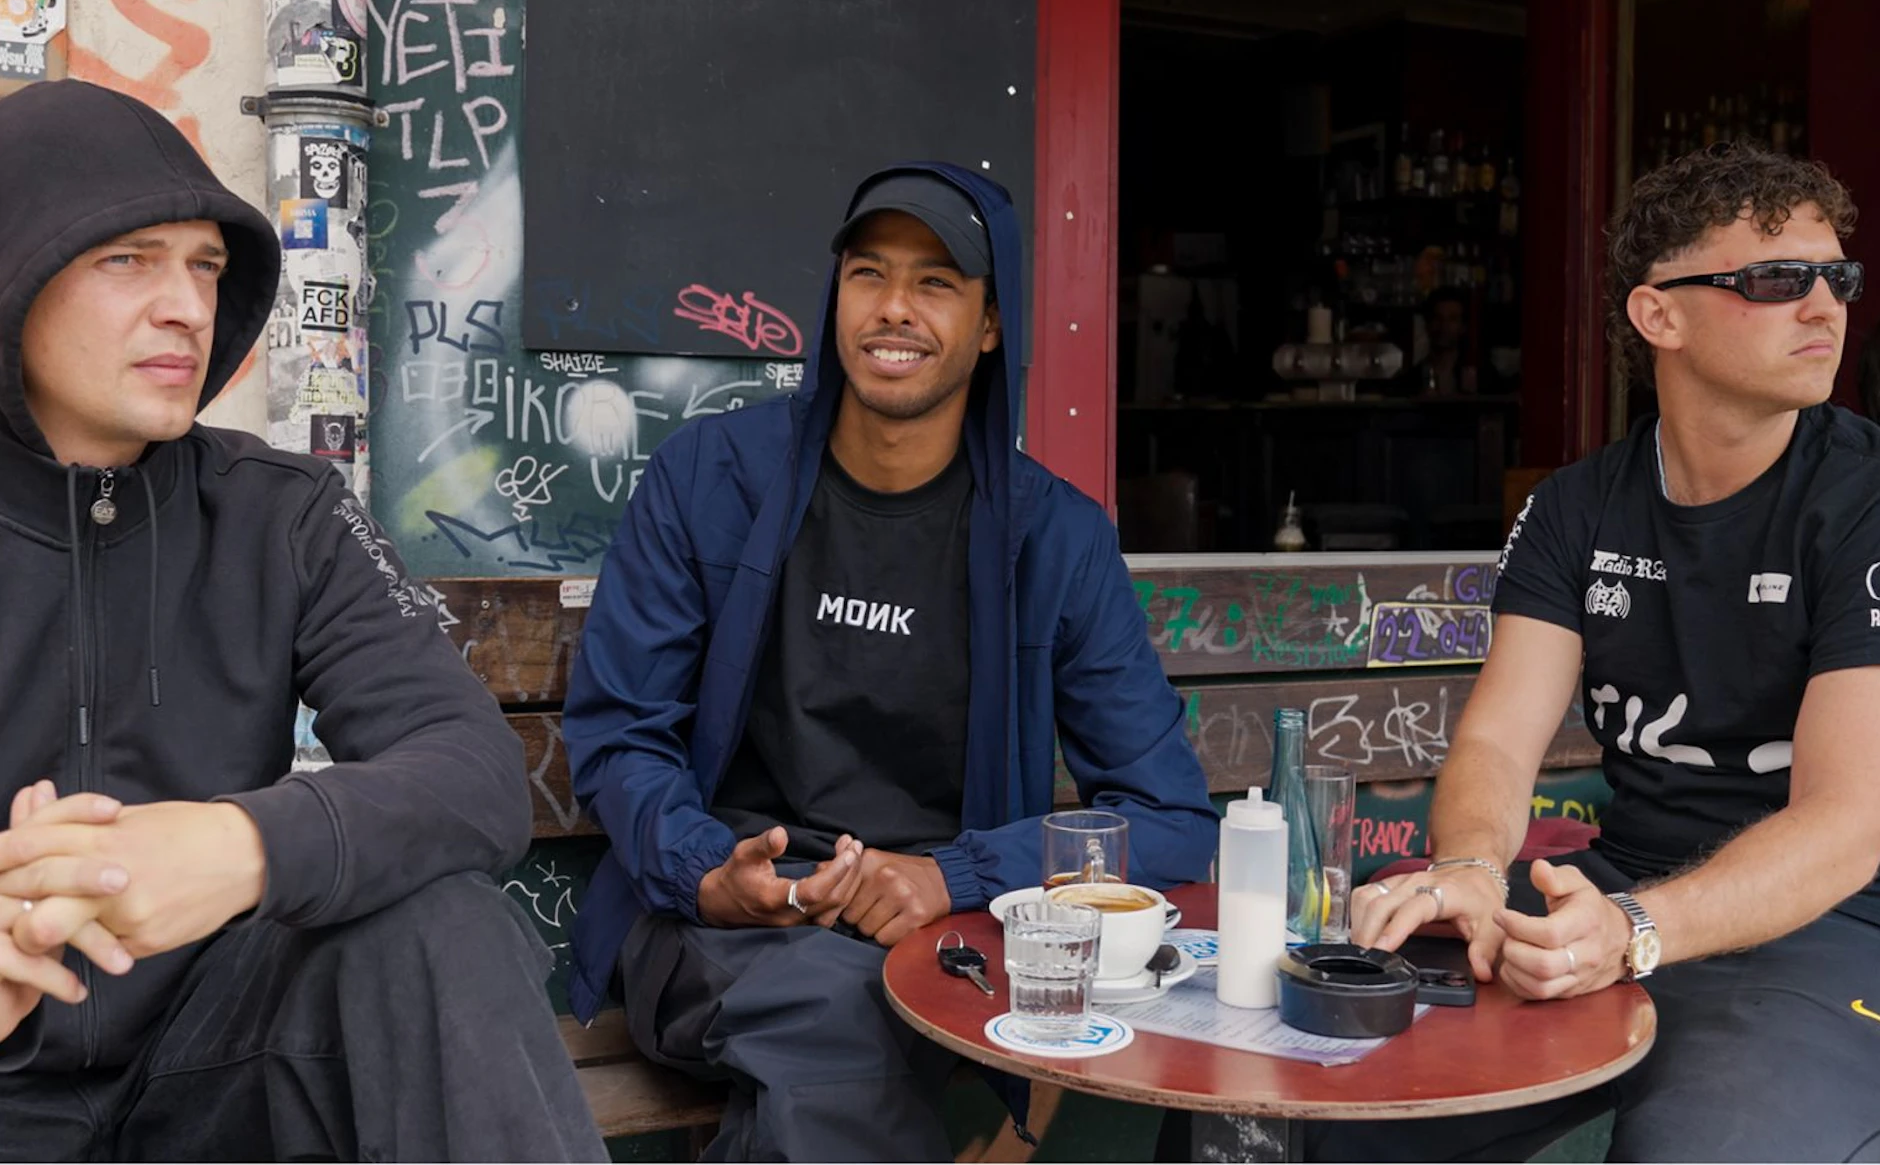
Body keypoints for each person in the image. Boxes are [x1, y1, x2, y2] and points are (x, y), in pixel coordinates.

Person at [0, 80, 604, 1161]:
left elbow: (471, 767)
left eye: (206, 265)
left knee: (436, 917)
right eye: (128, 258)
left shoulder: (280, 513)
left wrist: (240, 845)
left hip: (214, 1080)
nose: (186, 305)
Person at [563, 163, 1217, 1161]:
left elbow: (1167, 815)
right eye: (868, 274)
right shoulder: (710, 479)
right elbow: (617, 735)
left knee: (864, 1022)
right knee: (845, 1012)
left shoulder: (1053, 539)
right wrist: (709, 873)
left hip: (948, 935)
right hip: (716, 931)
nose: (893, 309)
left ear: (991, 325)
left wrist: (947, 874)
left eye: (936, 282)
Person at [1336, 143, 1880, 1161]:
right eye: (1775, 279)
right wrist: (1463, 866)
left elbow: (1848, 821)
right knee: (1320, 1103)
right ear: (1657, 314)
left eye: (1834, 276)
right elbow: (1498, 740)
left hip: (1831, 929)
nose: (1821, 306)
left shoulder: (1860, 500)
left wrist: (1631, 928)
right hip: (1618, 891)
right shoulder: (1575, 504)